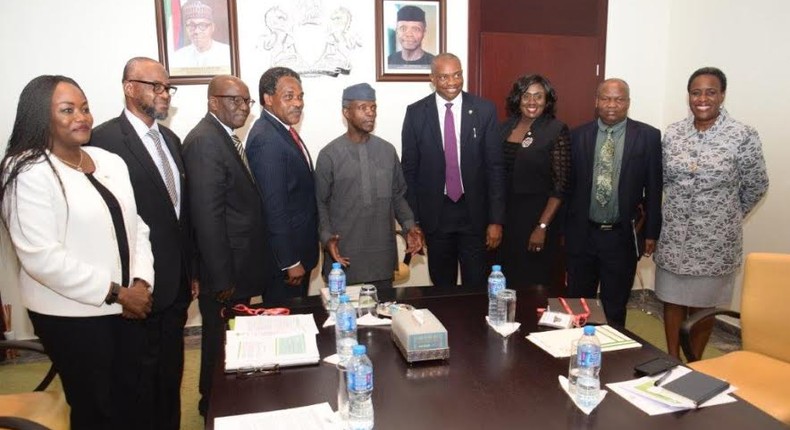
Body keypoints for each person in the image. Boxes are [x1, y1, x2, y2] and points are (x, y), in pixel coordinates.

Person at [0, 75, 154, 429]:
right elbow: (41, 257)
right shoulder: (26, 169)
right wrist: (117, 293)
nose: (81, 117)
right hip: (72, 317)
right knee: (95, 409)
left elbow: (138, 227)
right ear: (41, 116)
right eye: (67, 110)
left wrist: (142, 283)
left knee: (131, 398)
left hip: (129, 305)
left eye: (84, 108)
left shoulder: (109, 160)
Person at [91, 57, 194, 430]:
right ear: (129, 87)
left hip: (176, 286)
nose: (164, 94)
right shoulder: (103, 141)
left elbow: (182, 216)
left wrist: (191, 270)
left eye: (168, 88)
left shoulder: (170, 140)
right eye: (156, 86)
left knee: (170, 377)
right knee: (136, 386)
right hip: (137, 288)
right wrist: (125, 285)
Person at [654, 67, 768, 360]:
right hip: (675, 235)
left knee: (704, 307)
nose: (702, 98)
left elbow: (756, 184)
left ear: (722, 95)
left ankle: (695, 364)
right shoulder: (674, 133)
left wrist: (725, 215)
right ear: (688, 96)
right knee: (672, 301)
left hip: (715, 242)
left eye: (710, 92)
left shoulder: (741, 135)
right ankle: (671, 360)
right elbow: (664, 179)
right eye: (696, 92)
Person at [182, 75, 270, 416]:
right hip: (224, 272)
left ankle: (222, 400)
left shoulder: (223, 138)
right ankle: (212, 406)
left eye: (247, 101)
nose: (243, 108)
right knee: (219, 343)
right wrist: (220, 279)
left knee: (230, 340)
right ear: (212, 101)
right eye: (234, 100)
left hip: (234, 267)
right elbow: (207, 216)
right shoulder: (206, 141)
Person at [401, 53, 506, 289]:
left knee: (476, 285)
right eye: (445, 77)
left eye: (457, 75)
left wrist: (496, 219)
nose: (452, 82)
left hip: (475, 214)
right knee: (441, 286)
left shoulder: (484, 110)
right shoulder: (416, 113)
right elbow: (409, 170)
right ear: (433, 79)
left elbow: (495, 168)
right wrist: (414, 221)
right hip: (436, 216)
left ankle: (474, 326)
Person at [565, 78, 662, 327]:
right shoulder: (577, 136)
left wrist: (651, 232)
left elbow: (654, 187)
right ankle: (576, 354)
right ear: (596, 102)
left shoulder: (648, 136)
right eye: (606, 98)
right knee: (579, 304)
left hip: (620, 237)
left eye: (619, 99)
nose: (612, 105)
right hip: (583, 234)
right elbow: (568, 187)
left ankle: (614, 359)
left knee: (615, 306)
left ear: (628, 103)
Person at [315, 83, 424, 288]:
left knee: (382, 316)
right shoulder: (329, 155)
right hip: (343, 255)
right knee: (342, 319)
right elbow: (320, 203)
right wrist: (327, 238)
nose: (370, 113)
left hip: (381, 256)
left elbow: (397, 196)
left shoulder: (387, 150)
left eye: (373, 107)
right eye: (363, 107)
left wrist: (410, 226)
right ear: (346, 112)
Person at [246, 67, 318, 305]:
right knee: (286, 326)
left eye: (300, 96)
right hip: (285, 263)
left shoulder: (282, 131)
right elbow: (273, 206)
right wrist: (289, 261)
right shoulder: (267, 138)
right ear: (268, 99)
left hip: (297, 252)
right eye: (289, 96)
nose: (298, 103)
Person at [497, 74, 570, 286]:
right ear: (517, 99)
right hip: (506, 220)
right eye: (526, 96)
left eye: (538, 96)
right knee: (505, 281)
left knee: (533, 283)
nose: (532, 102)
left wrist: (542, 226)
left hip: (536, 219)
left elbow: (560, 185)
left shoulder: (556, 130)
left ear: (547, 101)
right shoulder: (504, 127)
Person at [170, 0, 231, 71]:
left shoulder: (227, 53)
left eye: (202, 25)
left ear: (212, 27)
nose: (196, 31)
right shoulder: (177, 57)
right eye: (191, 25)